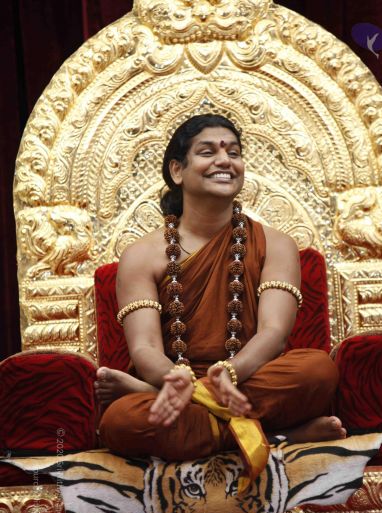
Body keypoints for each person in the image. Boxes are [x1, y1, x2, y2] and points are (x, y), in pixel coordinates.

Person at [96, 114, 345, 485]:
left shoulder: (277, 244)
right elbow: (145, 348)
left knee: (317, 370)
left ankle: (208, 417)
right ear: (177, 171)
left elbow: (274, 332)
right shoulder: (142, 254)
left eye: (234, 152)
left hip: (250, 377)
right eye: (208, 152)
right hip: (174, 383)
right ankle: (279, 436)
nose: (225, 160)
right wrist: (177, 382)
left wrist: (228, 373)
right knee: (120, 422)